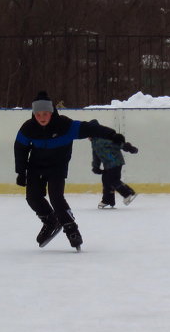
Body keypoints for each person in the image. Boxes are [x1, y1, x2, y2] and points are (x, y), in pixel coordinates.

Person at [14, 91, 129, 250]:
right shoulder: (28, 128)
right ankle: (50, 221)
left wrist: (113, 135)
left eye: (45, 113)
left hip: (57, 167)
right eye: (38, 114)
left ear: (52, 111)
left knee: (56, 197)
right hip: (35, 167)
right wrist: (21, 172)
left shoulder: (65, 126)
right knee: (32, 197)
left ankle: (71, 228)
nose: (42, 117)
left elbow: (91, 129)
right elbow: (20, 148)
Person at [90, 125, 139, 209]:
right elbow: (96, 156)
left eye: (88, 135)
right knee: (106, 180)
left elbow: (115, 144)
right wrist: (96, 167)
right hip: (108, 164)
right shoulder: (94, 143)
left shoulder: (101, 140)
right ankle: (108, 200)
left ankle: (128, 193)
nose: (87, 138)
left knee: (113, 180)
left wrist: (128, 147)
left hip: (115, 162)